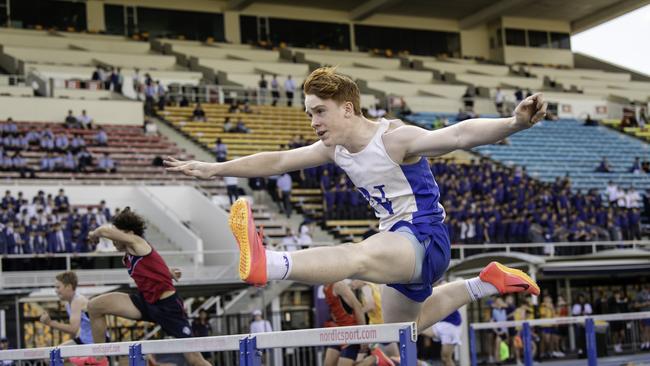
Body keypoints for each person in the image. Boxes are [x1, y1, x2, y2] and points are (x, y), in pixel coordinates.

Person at [165, 67, 543, 336]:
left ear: (347, 108)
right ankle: (486, 282)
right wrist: (215, 169)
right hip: (396, 240)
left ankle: (272, 262)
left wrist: (513, 124)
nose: (312, 121)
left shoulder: (394, 139)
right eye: (309, 112)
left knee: (357, 257)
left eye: (319, 111)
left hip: (424, 237)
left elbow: (459, 135)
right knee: (399, 331)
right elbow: (278, 161)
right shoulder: (335, 149)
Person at [86, 208, 210, 366]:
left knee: (195, 360)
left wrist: (93, 235)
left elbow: (104, 230)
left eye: (116, 235)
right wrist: (168, 272)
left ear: (129, 233)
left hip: (168, 307)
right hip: (145, 303)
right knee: (94, 306)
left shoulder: (137, 242)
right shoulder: (131, 253)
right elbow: (154, 261)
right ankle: (99, 359)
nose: (113, 241)